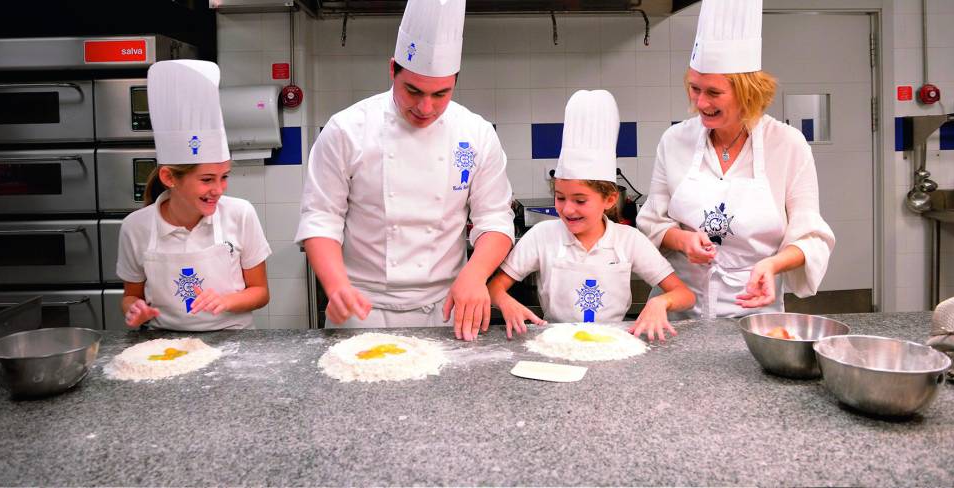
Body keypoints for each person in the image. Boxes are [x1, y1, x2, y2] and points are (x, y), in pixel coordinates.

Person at [295, 0, 515, 340]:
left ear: (454, 81)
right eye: (413, 90)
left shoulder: (476, 133)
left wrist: (476, 273)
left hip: (447, 308)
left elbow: (495, 220)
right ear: (392, 69)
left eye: (441, 94)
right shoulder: (347, 130)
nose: (426, 107)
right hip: (361, 308)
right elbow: (321, 218)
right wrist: (336, 285)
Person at [636, 0, 835, 320]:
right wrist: (684, 240)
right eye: (694, 88)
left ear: (748, 91)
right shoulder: (675, 141)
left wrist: (771, 265)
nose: (701, 102)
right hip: (679, 312)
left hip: (754, 313)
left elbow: (811, 237)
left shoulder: (787, 145)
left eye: (714, 93)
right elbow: (651, 223)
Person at [487, 90, 695, 342]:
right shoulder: (542, 236)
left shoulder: (629, 240)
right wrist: (505, 303)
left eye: (580, 200)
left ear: (608, 200)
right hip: (554, 346)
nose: (567, 209)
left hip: (615, 347)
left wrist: (661, 302)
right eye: (560, 197)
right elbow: (493, 287)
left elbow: (685, 295)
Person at [116, 60, 271, 331]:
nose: (219, 190)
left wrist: (227, 301)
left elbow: (260, 292)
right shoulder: (136, 226)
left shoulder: (240, 213)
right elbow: (131, 296)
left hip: (233, 340)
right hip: (164, 343)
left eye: (224, 177)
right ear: (169, 178)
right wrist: (134, 309)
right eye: (207, 180)